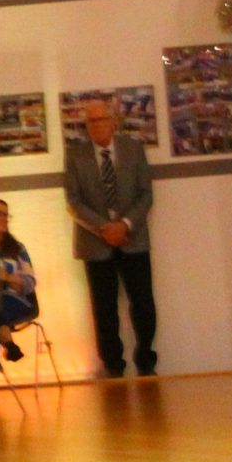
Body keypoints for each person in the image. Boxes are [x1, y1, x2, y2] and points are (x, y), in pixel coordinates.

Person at [66, 97, 158, 377]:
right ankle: (113, 367)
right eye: (90, 121)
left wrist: (125, 225)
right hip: (95, 242)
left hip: (133, 239)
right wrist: (104, 228)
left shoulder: (133, 149)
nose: (96, 125)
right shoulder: (75, 154)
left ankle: (146, 362)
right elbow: (73, 200)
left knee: (143, 304)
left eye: (101, 119)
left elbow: (146, 194)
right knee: (104, 309)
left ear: (113, 121)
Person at [0, 198, 40, 339]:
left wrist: (7, 278)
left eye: (6, 215)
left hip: (12, 301)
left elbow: (30, 281)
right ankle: (8, 345)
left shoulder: (17, 248)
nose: (4, 219)